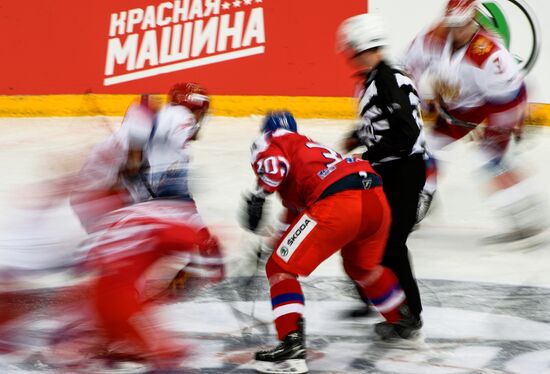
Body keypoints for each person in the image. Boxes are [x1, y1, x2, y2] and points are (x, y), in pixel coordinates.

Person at [241, 111, 420, 374]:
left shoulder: (271, 139)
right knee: (362, 267)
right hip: (374, 200)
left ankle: (291, 344)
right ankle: (403, 320)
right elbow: (294, 218)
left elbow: (273, 166)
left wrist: (258, 197)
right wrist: (271, 245)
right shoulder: (310, 152)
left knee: (279, 269)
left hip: (339, 202)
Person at [401, 0, 544, 241]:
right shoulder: (432, 37)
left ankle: (523, 216)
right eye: (452, 25)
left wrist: (502, 128)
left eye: (461, 25)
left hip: (499, 105)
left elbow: (511, 96)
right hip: (457, 110)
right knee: (426, 148)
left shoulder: (489, 53)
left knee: (489, 158)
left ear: (473, 19)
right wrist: (418, 100)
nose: (455, 31)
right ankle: (419, 200)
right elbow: (405, 68)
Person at [337, 13, 428, 329]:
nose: (350, 55)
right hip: (392, 170)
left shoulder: (385, 80)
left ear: (361, 46)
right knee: (366, 234)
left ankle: (410, 314)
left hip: (401, 172)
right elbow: (388, 125)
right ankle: (377, 297)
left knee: (390, 244)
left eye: (352, 49)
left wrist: (368, 153)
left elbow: (405, 135)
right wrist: (359, 137)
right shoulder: (383, 78)